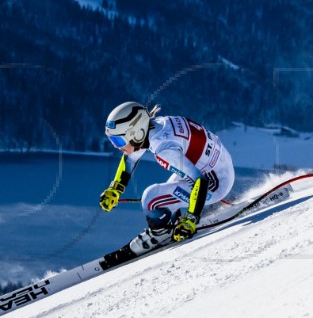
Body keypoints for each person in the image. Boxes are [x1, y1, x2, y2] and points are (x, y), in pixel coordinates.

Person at [99, 101, 235, 254]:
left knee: (151, 199)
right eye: (113, 141)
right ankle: (171, 223)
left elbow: (200, 180)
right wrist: (115, 188)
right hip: (217, 168)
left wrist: (191, 219)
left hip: (215, 183)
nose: (117, 146)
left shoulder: (163, 147)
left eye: (118, 141)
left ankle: (160, 235)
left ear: (136, 133)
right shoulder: (155, 127)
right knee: (164, 195)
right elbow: (130, 158)